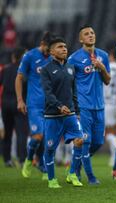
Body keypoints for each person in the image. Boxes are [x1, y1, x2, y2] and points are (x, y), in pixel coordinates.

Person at [68, 25, 110, 184]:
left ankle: (74, 167)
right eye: (86, 34)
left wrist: (102, 68)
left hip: (99, 106)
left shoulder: (103, 56)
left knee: (98, 142)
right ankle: (91, 177)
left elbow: (107, 81)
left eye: (92, 33)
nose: (90, 35)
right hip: (83, 106)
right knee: (85, 141)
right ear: (81, 39)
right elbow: (69, 82)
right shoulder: (74, 59)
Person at [40, 37, 84, 188]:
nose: (64, 49)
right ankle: (52, 178)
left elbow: (74, 92)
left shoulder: (71, 67)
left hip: (70, 114)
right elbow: (48, 93)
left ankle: (72, 174)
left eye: (65, 46)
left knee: (79, 140)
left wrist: (76, 110)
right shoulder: (45, 70)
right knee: (50, 148)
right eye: (60, 47)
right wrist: (59, 106)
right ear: (52, 51)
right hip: (53, 115)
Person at [16, 32, 53, 179]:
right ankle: (29, 160)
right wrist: (20, 100)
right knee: (37, 136)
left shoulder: (53, 58)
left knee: (48, 139)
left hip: (50, 106)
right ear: (42, 43)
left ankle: (44, 167)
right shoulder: (29, 56)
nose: (49, 52)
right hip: (35, 105)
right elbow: (19, 78)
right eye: (48, 48)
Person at [0, 47, 28, 167]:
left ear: (13, 57)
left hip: (5, 104)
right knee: (22, 132)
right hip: (20, 103)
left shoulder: (5, 69)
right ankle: (22, 160)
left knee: (8, 132)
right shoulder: (25, 71)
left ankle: (7, 159)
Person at [104, 48, 116, 167]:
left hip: (107, 102)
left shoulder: (106, 67)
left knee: (108, 131)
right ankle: (115, 156)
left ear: (110, 55)